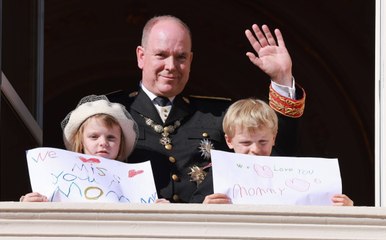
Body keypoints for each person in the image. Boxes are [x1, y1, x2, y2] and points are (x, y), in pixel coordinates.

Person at [110, 15, 306, 203]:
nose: (171, 66)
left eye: (181, 57)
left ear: (190, 60)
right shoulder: (109, 111)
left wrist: (282, 77)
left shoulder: (219, 114)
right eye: (161, 55)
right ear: (141, 56)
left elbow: (275, 153)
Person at [200, 98, 353, 206]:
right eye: (246, 142)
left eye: (263, 142)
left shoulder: (292, 171)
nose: (255, 150)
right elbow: (189, 219)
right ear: (229, 141)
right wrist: (203, 207)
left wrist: (346, 210)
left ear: (273, 138)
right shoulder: (218, 175)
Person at [19, 95, 168, 202]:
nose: (103, 143)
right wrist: (29, 205)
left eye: (111, 138)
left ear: (120, 144)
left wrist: (155, 208)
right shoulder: (58, 174)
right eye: (94, 137)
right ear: (80, 141)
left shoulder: (135, 182)